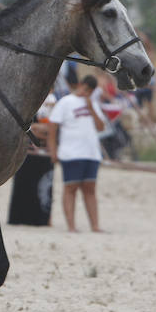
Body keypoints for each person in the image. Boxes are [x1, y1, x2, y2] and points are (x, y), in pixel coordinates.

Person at [48, 74, 107, 233]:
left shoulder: (93, 103)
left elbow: (101, 127)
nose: (86, 92)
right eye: (85, 88)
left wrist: (91, 107)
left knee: (90, 188)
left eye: (90, 91)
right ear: (80, 85)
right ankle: (71, 226)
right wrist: (53, 150)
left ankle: (95, 225)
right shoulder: (65, 102)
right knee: (71, 187)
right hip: (71, 152)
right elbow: (53, 129)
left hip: (91, 152)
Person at [8, 90, 57, 226]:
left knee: (43, 185)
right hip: (28, 150)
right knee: (24, 184)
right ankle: (22, 218)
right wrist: (35, 128)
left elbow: (51, 128)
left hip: (43, 150)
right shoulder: (30, 98)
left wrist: (37, 129)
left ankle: (44, 218)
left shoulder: (51, 100)